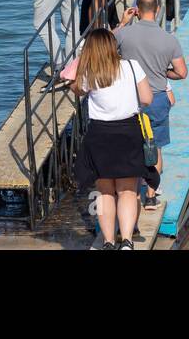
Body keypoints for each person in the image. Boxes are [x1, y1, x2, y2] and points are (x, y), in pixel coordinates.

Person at [71, 29, 152, 250]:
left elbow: (74, 86)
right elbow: (147, 98)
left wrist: (81, 61)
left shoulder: (89, 72)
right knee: (127, 191)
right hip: (128, 131)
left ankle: (107, 242)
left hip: (100, 134)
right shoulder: (132, 66)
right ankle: (126, 241)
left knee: (105, 191)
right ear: (113, 46)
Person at [114, 0, 187, 211]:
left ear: (136, 10)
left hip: (130, 99)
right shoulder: (169, 40)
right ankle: (151, 196)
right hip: (156, 98)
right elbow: (182, 73)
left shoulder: (124, 35)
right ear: (157, 10)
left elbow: (101, 46)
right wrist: (165, 73)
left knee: (131, 146)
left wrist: (122, 22)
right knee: (154, 147)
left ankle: (129, 193)